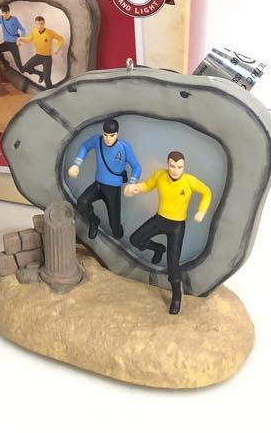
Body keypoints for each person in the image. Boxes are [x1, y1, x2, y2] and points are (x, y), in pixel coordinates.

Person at [125, 151, 212, 315]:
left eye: (180, 167)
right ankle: (158, 248)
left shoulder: (189, 181)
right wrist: (136, 188)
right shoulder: (160, 175)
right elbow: (148, 185)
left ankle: (177, 295)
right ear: (167, 164)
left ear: (184, 167)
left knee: (173, 264)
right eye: (172, 166)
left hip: (177, 226)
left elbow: (207, 192)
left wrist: (201, 211)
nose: (175, 170)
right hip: (160, 219)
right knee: (135, 239)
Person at [67, 118, 140, 240]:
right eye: (105, 135)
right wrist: (76, 164)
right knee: (82, 202)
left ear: (117, 134)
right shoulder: (98, 140)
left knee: (115, 226)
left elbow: (136, 167)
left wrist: (132, 183)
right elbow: (85, 146)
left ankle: (119, 238)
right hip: (98, 185)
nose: (107, 138)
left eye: (111, 135)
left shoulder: (124, 147)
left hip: (113, 190)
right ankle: (94, 220)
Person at [17, 15, 64, 89]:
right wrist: (20, 39)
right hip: (38, 56)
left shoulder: (50, 32)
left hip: (47, 58)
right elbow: (29, 40)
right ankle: (41, 74)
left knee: (47, 79)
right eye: (38, 24)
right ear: (35, 24)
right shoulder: (34, 31)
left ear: (44, 23)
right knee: (25, 68)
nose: (39, 26)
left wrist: (58, 48)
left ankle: (52, 93)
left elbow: (61, 39)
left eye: (41, 24)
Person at [0, 4, 26, 72]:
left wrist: (20, 39)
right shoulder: (1, 18)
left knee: (19, 66)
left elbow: (23, 30)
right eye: (3, 13)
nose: (5, 15)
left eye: (6, 13)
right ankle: (6, 63)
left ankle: (26, 70)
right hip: (6, 43)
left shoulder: (14, 19)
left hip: (14, 44)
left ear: (9, 12)